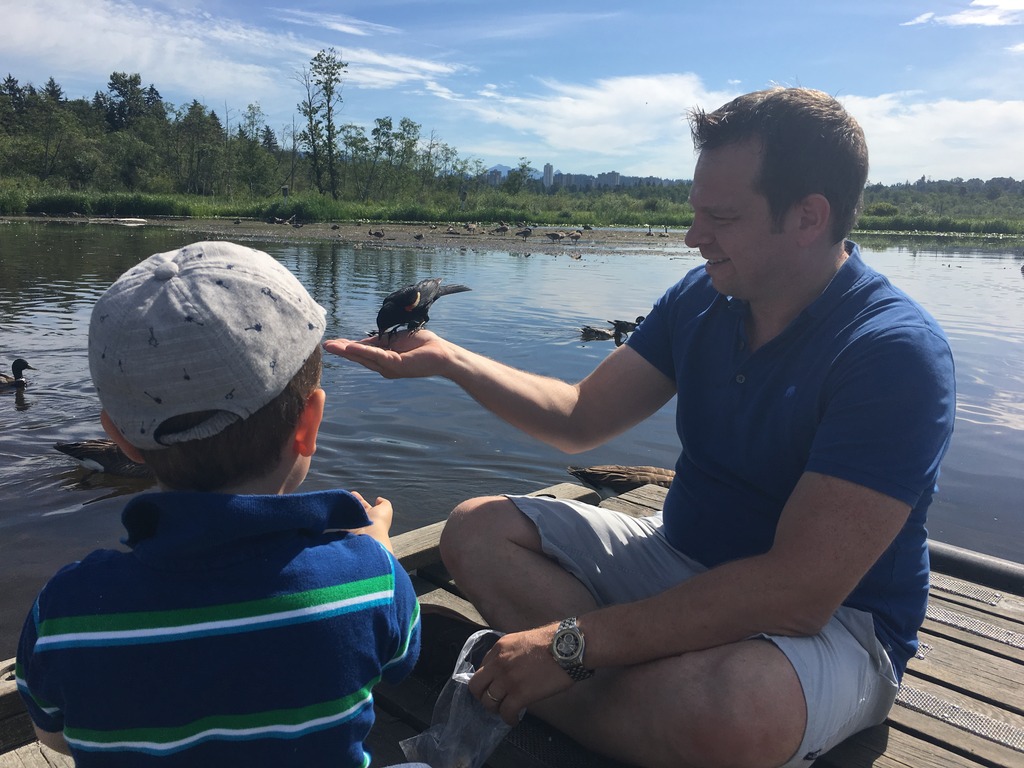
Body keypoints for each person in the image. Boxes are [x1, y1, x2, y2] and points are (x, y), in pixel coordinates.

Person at [325, 87, 956, 768]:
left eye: (720, 216)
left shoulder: (892, 353)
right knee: (476, 531)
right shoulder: (704, 298)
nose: (693, 237)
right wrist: (450, 361)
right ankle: (635, 704)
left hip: (835, 624)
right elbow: (578, 419)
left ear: (808, 217)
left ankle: (558, 684)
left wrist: (569, 645)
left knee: (734, 711)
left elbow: (796, 593)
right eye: (695, 212)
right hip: (676, 560)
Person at [16, 242, 422, 767]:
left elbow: (51, 737)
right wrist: (377, 553)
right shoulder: (371, 579)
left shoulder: (66, 608)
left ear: (118, 436)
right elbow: (400, 665)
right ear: (309, 423)